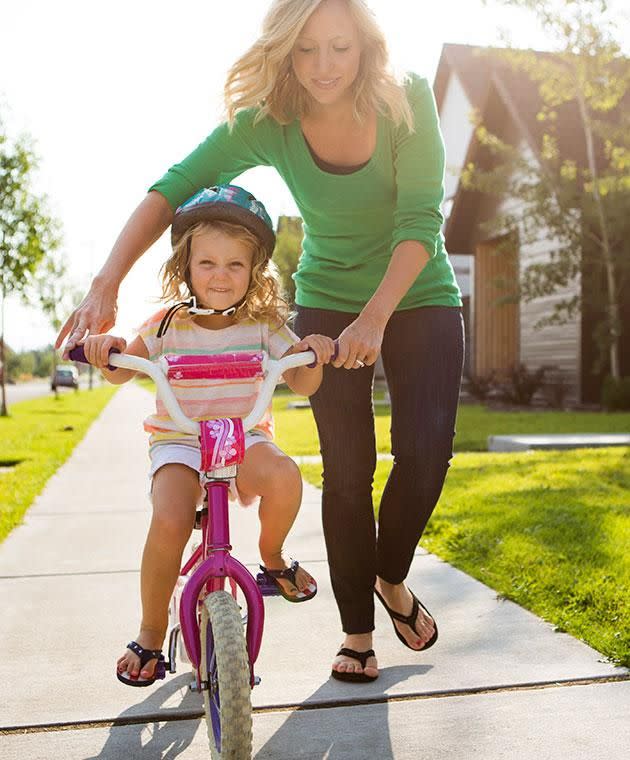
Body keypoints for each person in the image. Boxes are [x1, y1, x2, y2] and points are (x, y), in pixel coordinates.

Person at [59, 0, 464, 683]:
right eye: (306, 51)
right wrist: (106, 283)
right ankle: (358, 637)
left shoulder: (409, 96)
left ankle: (390, 578)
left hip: (416, 293)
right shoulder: (272, 120)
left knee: (425, 458)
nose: (323, 66)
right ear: (284, 52)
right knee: (348, 469)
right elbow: (173, 188)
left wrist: (377, 318)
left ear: (366, 43)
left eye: (339, 48)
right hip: (329, 296)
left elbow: (421, 221)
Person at [83, 184, 335, 686]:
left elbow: (304, 380)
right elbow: (122, 368)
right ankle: (152, 632)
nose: (221, 276)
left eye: (235, 265)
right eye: (208, 264)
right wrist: (108, 347)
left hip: (242, 436)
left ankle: (272, 558)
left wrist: (311, 352)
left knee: (286, 477)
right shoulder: (166, 325)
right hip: (180, 439)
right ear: (186, 267)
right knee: (172, 517)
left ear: (255, 270)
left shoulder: (265, 325)